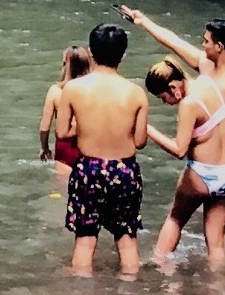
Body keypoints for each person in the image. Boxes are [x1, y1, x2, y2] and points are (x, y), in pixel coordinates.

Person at [124, 6, 225, 262]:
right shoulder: (207, 68)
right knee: (217, 237)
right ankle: (222, 288)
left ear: (219, 46)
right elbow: (174, 42)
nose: (202, 44)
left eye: (206, 41)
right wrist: (143, 22)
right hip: (222, 165)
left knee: (179, 217)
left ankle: (162, 272)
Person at [60, 23, 155, 279]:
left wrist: (85, 125)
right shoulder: (136, 93)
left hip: (88, 170)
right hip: (124, 170)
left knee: (85, 239)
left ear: (91, 52)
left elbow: (62, 133)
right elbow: (140, 141)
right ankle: (129, 294)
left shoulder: (73, 89)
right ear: (123, 55)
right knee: (127, 238)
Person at [37, 46, 89, 167]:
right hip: (89, 146)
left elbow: (44, 128)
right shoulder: (93, 90)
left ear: (66, 65)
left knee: (61, 184)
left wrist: (44, 148)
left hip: (65, 147)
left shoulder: (55, 91)